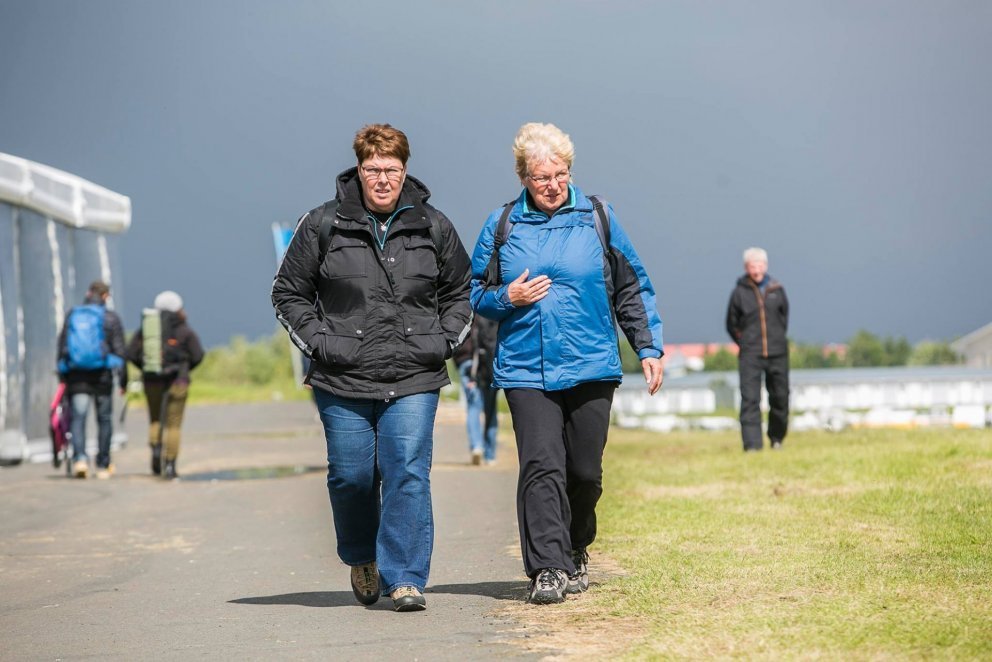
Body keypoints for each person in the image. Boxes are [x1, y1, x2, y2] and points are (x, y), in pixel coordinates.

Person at [271, 124, 472, 613]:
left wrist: (442, 342)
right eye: (373, 169)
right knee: (351, 476)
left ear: (406, 170)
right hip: (342, 376)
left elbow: (461, 292)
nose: (383, 179)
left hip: (413, 376)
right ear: (358, 169)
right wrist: (320, 343)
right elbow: (287, 293)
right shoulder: (322, 223)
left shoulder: (434, 226)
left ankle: (405, 578)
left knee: (406, 472)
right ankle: (362, 557)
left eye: (392, 170)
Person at [470, 122, 664, 605]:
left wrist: (648, 346)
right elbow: (471, 293)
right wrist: (505, 296)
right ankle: (548, 568)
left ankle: (576, 546)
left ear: (570, 170)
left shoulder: (597, 216)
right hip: (524, 367)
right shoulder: (502, 225)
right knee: (541, 466)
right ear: (523, 179)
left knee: (584, 472)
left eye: (559, 174)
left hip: (591, 364)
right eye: (541, 177)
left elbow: (631, 286)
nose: (552, 185)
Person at [125, 290, 204, 479]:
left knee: (155, 419)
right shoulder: (185, 329)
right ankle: (170, 465)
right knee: (174, 425)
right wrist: (185, 369)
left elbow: (131, 353)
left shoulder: (147, 329)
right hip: (178, 381)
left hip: (152, 381)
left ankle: (155, 452)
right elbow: (198, 355)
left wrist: (146, 368)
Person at [56, 280, 127, 479]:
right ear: (105, 296)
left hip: (77, 377)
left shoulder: (72, 315)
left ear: (88, 294)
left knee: (78, 419)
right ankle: (103, 464)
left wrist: (63, 376)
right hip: (102, 377)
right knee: (104, 419)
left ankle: (80, 459)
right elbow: (121, 352)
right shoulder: (110, 318)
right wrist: (123, 381)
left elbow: (62, 346)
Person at [725, 247, 790, 452]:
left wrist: (776, 338)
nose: (757, 269)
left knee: (780, 396)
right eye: (752, 266)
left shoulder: (777, 289)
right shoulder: (739, 292)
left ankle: (777, 438)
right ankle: (752, 445)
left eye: (760, 265)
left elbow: (784, 317)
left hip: (777, 351)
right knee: (750, 399)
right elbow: (731, 323)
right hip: (750, 354)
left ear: (766, 265)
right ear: (746, 268)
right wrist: (745, 343)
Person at [452, 315, 500, 465]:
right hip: (490, 365)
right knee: (491, 410)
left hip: (467, 364)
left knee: (473, 407)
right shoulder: (492, 309)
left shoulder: (463, 309)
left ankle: (476, 446)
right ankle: (490, 454)